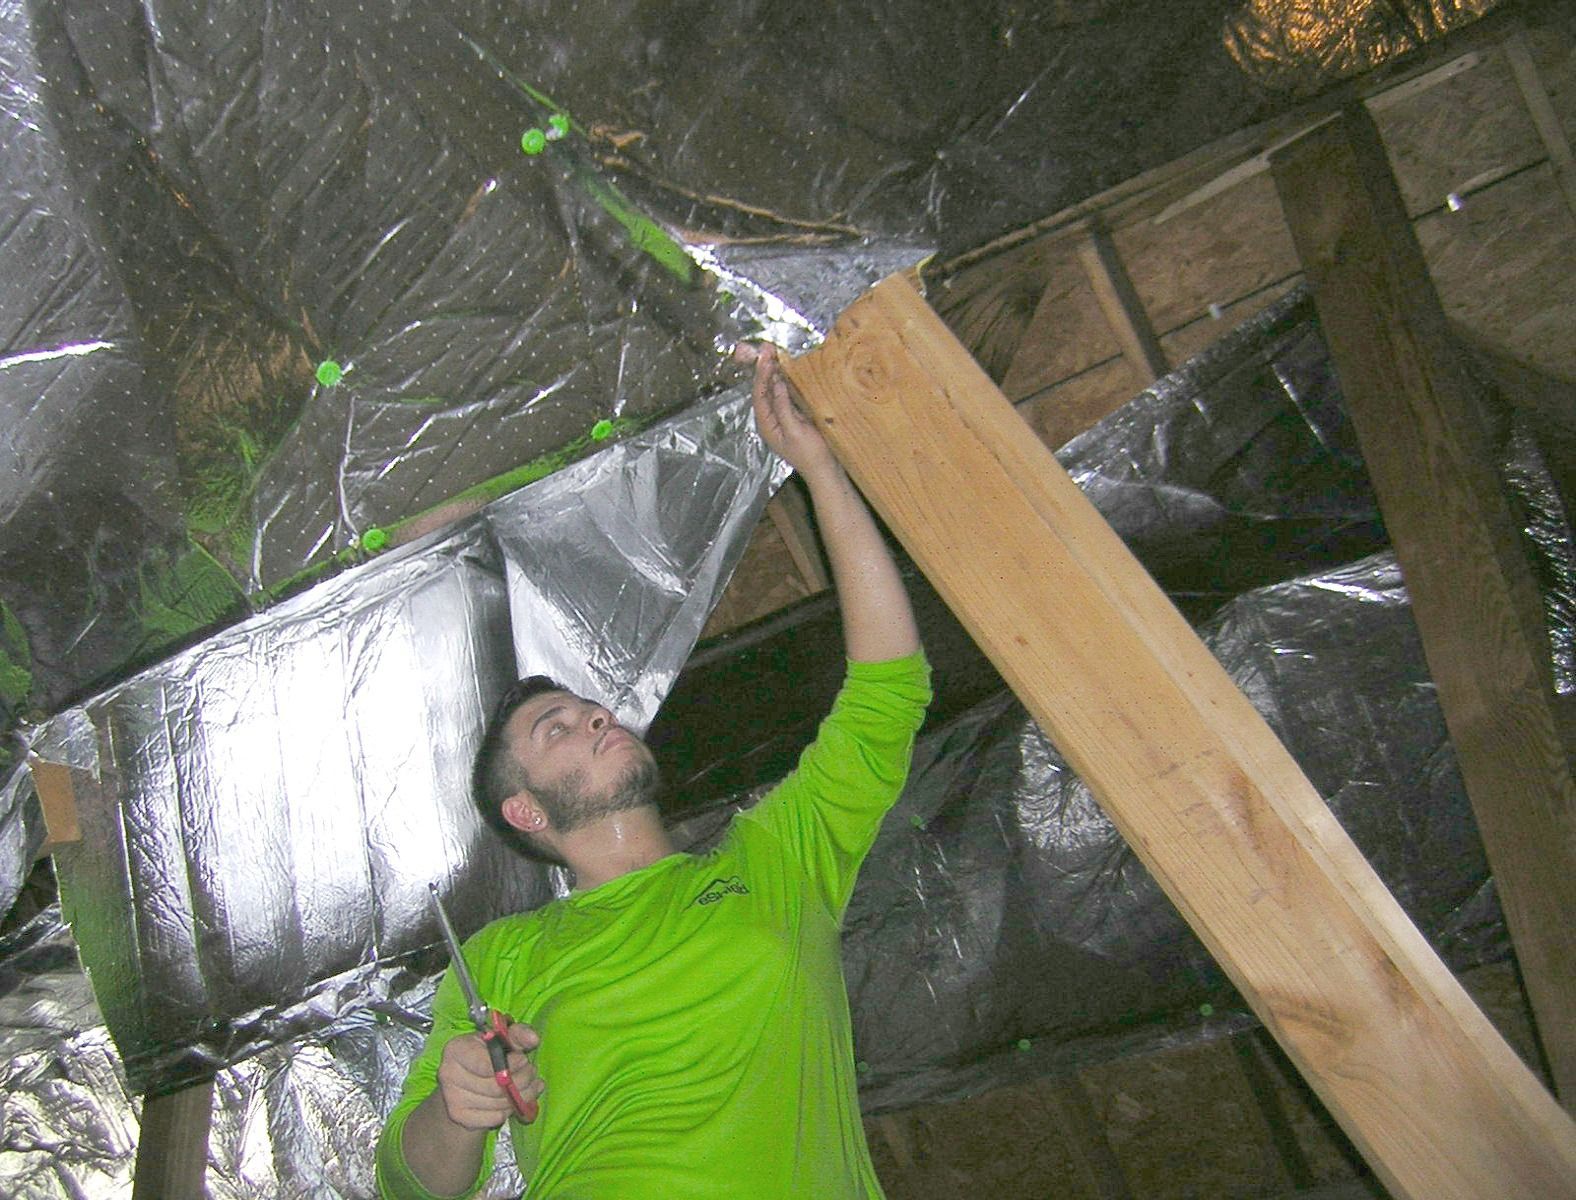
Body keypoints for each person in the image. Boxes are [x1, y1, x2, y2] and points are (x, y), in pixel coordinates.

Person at [375, 343, 931, 1199]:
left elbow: (887, 695)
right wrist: (459, 1106)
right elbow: (415, 1188)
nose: (597, 716)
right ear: (525, 812)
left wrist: (820, 470)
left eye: (592, 709)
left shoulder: (775, 862)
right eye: (557, 727)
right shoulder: (503, 959)